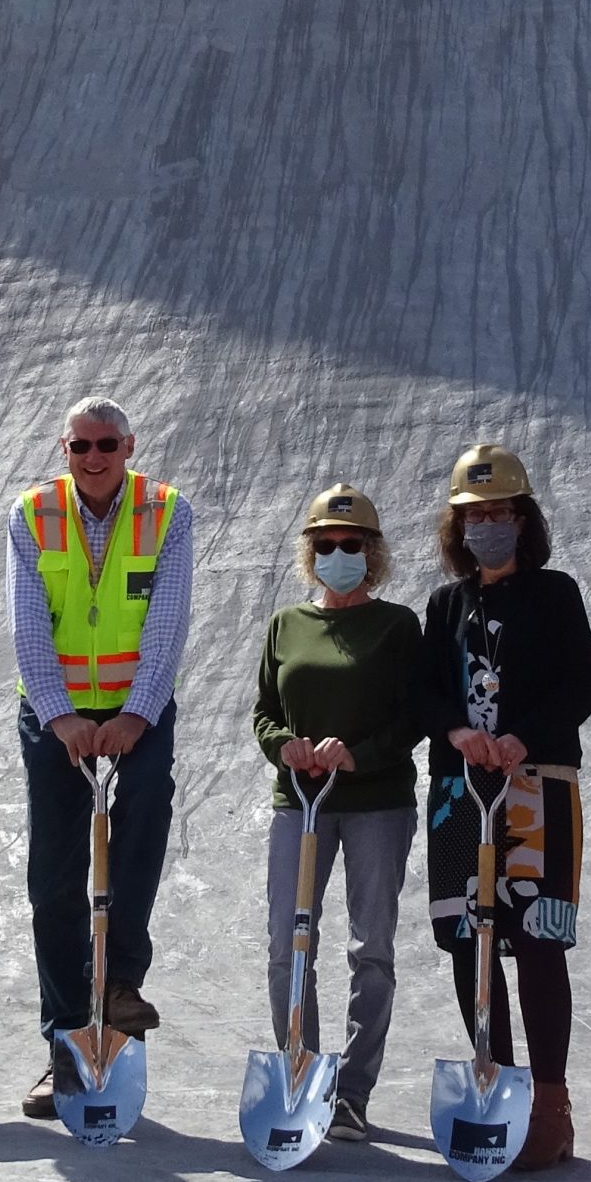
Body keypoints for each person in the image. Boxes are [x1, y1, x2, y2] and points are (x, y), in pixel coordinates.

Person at [413, 442, 591, 1171]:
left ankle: (551, 1106)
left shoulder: (555, 594)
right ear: (456, 528)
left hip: (539, 786)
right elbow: (426, 691)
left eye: (500, 512)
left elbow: (581, 685)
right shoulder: (446, 603)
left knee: (538, 941)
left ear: (524, 520)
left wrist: (522, 736)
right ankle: (497, 1082)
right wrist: (459, 732)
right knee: (470, 937)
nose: (487, 525)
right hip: (462, 794)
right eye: (473, 515)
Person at [10, 395, 193, 1119]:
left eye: (107, 445)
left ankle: (119, 984)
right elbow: (27, 619)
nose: (94, 458)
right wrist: (59, 715)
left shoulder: (167, 511)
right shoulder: (32, 513)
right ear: (64, 449)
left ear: (129, 446)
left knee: (139, 834)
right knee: (54, 881)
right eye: (81, 445)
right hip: (53, 715)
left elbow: (168, 616)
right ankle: (63, 1045)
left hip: (136, 711)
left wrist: (136, 712)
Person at [250, 483, 421, 1143]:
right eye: (326, 544)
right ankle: (301, 1071)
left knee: (370, 947)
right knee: (286, 945)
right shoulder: (286, 625)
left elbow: (413, 717)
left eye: (352, 544)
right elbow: (264, 711)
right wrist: (283, 747)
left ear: (372, 554)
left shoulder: (396, 625)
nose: (339, 553)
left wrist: (359, 756)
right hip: (300, 803)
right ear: (310, 553)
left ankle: (352, 1092)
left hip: (375, 802)